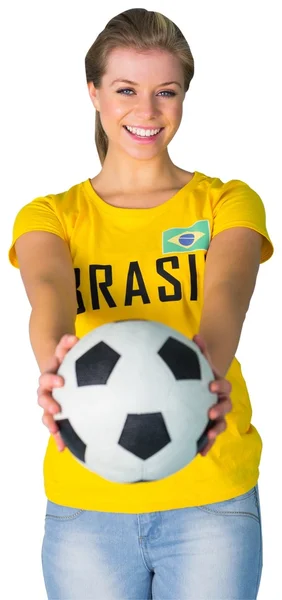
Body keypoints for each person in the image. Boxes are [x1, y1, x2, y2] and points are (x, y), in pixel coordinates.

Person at [8, 8, 273, 600]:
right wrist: (54, 365)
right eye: (126, 89)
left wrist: (208, 367)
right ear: (94, 93)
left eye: (166, 92)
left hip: (210, 498)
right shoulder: (50, 215)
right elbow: (47, 293)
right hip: (87, 503)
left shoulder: (227, 202)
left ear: (184, 98)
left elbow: (228, 294)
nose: (147, 111)